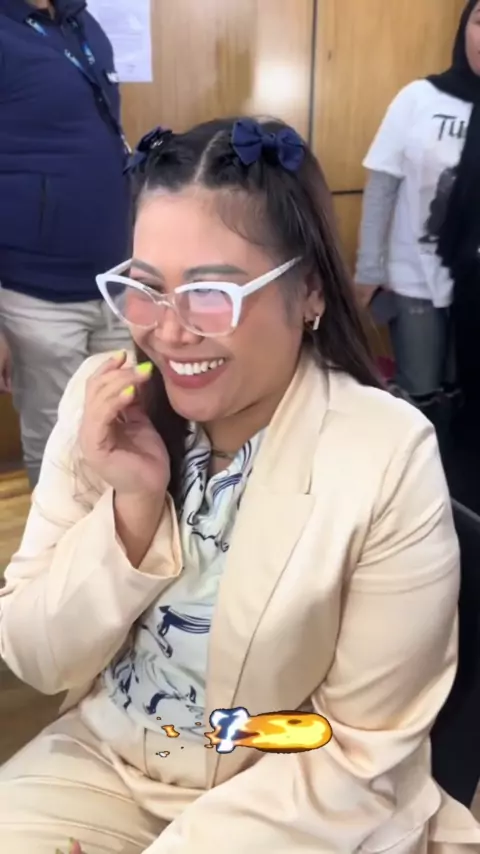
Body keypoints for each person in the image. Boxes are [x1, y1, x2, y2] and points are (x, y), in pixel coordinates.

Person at [0, 116, 479, 854]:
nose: (169, 331)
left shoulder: (384, 454)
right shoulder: (105, 404)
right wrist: (131, 511)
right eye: (145, 288)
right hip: (108, 763)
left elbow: (354, 747)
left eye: (211, 294)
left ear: (309, 291)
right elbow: (35, 656)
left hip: (293, 796)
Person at [0, 0, 132, 487]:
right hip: (36, 294)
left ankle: (116, 528)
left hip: (116, 282)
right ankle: (59, 537)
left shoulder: (81, 21)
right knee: (57, 438)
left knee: (123, 421)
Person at [354, 0, 480, 450]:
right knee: (421, 393)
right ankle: (419, 474)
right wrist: (369, 270)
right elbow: (382, 189)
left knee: (465, 392)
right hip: (416, 277)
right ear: (464, 29)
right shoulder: (419, 99)